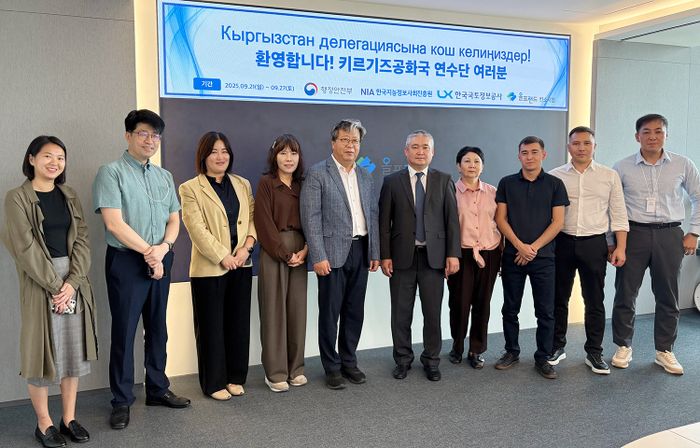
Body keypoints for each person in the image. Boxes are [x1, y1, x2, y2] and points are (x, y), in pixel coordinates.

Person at [93, 109, 189, 430]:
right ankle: (121, 400)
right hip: (127, 261)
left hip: (161, 256)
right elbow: (114, 224)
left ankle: (158, 389)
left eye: (155, 135)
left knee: (158, 327)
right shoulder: (111, 172)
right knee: (124, 330)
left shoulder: (164, 176)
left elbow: (174, 219)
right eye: (143, 133)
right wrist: (150, 252)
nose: (150, 140)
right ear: (128, 135)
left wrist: (162, 249)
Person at [3, 136, 97, 448]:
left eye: (60, 157)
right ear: (31, 159)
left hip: (73, 279)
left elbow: (82, 238)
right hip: (40, 280)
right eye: (47, 156)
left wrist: (73, 282)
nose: (54, 162)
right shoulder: (17, 197)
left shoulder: (69, 195)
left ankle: (68, 419)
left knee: (72, 352)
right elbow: (24, 248)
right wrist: (58, 286)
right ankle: (43, 423)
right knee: (41, 353)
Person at [611, 114, 700, 375]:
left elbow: (698, 197)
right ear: (637, 136)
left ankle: (665, 350)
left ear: (666, 135)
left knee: (667, 295)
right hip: (633, 234)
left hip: (669, 234)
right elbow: (613, 206)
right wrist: (612, 241)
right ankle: (623, 345)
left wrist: (694, 232)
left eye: (658, 131)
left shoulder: (683, 164)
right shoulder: (622, 167)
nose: (652, 137)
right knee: (625, 293)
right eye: (646, 132)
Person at [300, 119, 380, 390]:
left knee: (354, 311)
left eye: (355, 141)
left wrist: (374, 251)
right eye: (344, 140)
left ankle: (349, 361)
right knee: (330, 313)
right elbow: (311, 218)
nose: (350, 145)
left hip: (361, 249)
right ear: (333, 143)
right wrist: (318, 255)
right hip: (331, 254)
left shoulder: (365, 175)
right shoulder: (317, 173)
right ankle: (331, 367)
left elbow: (372, 215)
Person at [179, 131, 257, 399]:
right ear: (204, 156)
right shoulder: (190, 188)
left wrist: (246, 248)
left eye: (224, 151)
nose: (220, 156)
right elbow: (196, 228)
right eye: (214, 152)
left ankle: (235, 377)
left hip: (242, 264)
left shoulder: (242, 184)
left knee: (238, 324)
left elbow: (253, 218)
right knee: (211, 327)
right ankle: (214, 383)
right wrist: (223, 256)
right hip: (210, 268)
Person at [379, 130, 460, 382]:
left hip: (433, 258)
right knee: (401, 314)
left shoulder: (444, 179)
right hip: (401, 257)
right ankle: (402, 360)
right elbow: (384, 223)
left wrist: (453, 254)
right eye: (415, 147)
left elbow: (452, 221)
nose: (420, 151)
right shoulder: (392, 181)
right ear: (406, 151)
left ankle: (431, 360)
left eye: (425, 147)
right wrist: (385, 255)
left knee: (432, 314)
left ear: (432, 152)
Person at [548, 127, 628, 375]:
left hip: (595, 243)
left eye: (586, 143)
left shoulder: (609, 175)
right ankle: (556, 346)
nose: (581, 148)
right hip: (561, 242)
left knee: (594, 300)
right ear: (568, 147)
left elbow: (618, 213)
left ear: (595, 146)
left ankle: (594, 352)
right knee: (558, 298)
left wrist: (620, 246)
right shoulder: (554, 176)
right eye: (576, 143)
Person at [494, 136, 569, 379]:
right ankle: (511, 351)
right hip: (512, 257)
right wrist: (519, 246)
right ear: (519, 156)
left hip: (544, 258)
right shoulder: (507, 183)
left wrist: (532, 248)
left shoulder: (555, 184)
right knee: (510, 309)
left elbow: (558, 222)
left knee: (546, 311)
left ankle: (543, 357)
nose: (529, 157)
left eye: (534, 152)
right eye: (525, 152)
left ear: (543, 155)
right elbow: (500, 219)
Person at [253, 134, 308, 393]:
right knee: (274, 311)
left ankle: (296, 368)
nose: (289, 158)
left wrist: (306, 250)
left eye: (293, 153)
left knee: (297, 311)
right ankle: (275, 372)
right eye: (283, 153)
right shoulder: (267, 183)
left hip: (302, 250)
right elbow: (263, 223)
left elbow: (313, 218)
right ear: (274, 156)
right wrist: (285, 254)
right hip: (274, 250)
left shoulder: (304, 184)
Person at [446, 146, 502, 369]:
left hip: (490, 252)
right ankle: (457, 345)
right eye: (467, 161)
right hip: (460, 254)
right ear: (458, 166)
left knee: (482, 303)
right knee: (459, 303)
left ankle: (476, 349)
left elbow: (501, 223)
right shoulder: (449, 191)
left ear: (483, 166)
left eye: (477, 161)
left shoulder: (493, 192)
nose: (472, 165)